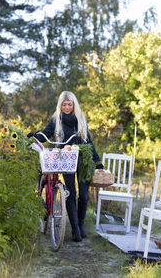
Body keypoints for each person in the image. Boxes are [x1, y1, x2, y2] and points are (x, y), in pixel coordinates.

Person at [27, 91, 103, 242]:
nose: (67, 107)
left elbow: (88, 140)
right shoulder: (57, 118)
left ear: (74, 105)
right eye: (64, 104)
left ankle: (81, 224)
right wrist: (34, 136)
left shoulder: (81, 118)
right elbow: (46, 134)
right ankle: (75, 229)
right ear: (60, 105)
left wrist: (97, 162)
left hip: (83, 159)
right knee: (70, 193)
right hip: (66, 159)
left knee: (84, 195)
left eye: (69, 104)